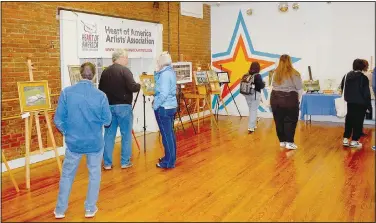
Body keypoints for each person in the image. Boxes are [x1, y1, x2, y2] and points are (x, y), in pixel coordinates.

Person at [54, 62, 112, 219]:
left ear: (80, 74)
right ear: (93, 76)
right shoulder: (101, 96)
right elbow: (107, 121)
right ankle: (90, 209)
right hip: (94, 143)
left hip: (74, 144)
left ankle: (60, 210)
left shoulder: (66, 93)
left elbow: (58, 120)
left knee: (67, 176)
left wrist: (68, 131)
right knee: (94, 175)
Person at [99, 49, 141, 170]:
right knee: (126, 134)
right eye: (126, 57)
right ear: (120, 58)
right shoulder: (125, 70)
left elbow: (100, 90)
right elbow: (133, 87)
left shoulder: (105, 72)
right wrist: (139, 85)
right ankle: (125, 162)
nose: (127, 60)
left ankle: (107, 163)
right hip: (124, 107)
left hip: (109, 107)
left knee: (108, 135)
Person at [270, 54, 303, 150]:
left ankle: (282, 141)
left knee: (278, 120)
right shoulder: (295, 73)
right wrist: (298, 99)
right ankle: (289, 142)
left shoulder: (275, 73)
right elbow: (299, 89)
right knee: (290, 121)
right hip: (290, 99)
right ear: (290, 61)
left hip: (275, 98)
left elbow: (271, 87)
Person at [153, 52, 178, 169]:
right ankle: (170, 157)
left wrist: (155, 105)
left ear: (161, 62)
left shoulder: (164, 75)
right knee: (170, 134)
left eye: (158, 61)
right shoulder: (170, 72)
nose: (157, 62)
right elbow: (159, 86)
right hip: (171, 106)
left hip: (164, 107)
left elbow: (162, 93)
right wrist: (156, 72)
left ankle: (168, 162)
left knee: (166, 135)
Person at [341, 59, 371, 149]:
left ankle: (345, 139)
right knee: (358, 122)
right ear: (362, 66)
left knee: (349, 120)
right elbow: (366, 93)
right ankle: (354, 141)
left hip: (349, 102)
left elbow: (342, 87)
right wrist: (369, 105)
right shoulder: (363, 78)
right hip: (360, 103)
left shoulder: (346, 75)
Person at [241, 62, 265, 132]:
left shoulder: (245, 75)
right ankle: (251, 127)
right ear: (258, 68)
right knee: (253, 110)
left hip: (246, 95)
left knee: (251, 110)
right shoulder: (257, 76)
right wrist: (263, 83)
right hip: (255, 95)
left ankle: (253, 125)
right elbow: (260, 86)